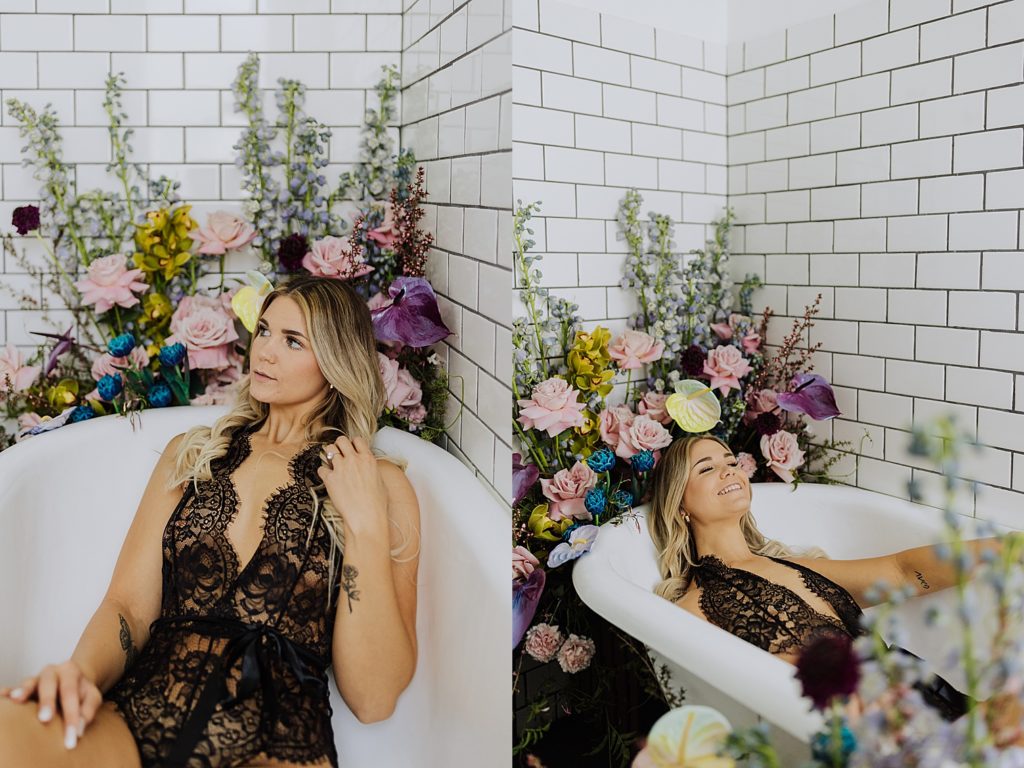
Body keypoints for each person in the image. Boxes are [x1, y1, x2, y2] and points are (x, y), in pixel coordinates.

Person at [0, 274, 421, 767]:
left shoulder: (379, 484)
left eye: (292, 341)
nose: (263, 352)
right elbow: (129, 608)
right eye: (263, 331)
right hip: (143, 714)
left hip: (277, 742)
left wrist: (366, 527)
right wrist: (80, 675)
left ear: (334, 363)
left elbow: (373, 699)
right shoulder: (195, 453)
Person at [645, 432, 1018, 722]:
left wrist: (1010, 550)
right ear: (679, 504)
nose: (729, 470)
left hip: (928, 694)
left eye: (730, 461)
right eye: (707, 468)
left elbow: (899, 572)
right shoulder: (690, 608)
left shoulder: (793, 565)